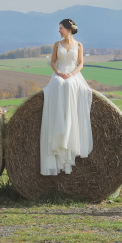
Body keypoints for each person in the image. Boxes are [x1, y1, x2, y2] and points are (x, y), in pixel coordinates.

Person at [39, 18, 93, 175]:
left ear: (69, 30)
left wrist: (71, 74)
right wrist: (60, 73)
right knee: (60, 84)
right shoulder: (57, 44)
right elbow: (53, 63)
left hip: (73, 74)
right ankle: (59, 123)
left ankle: (69, 124)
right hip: (59, 73)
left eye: (61, 28)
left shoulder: (79, 45)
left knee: (69, 84)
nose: (59, 30)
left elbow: (81, 64)